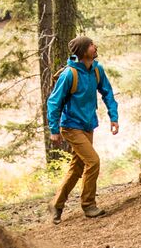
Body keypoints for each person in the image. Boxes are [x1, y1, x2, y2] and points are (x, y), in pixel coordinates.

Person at [45, 35, 119, 222]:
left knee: (77, 168)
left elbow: (107, 92)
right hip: (70, 126)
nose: (95, 46)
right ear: (83, 51)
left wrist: (114, 117)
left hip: (87, 126)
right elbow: (54, 102)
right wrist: (54, 130)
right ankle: (89, 205)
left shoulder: (96, 69)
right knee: (93, 161)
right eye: (91, 45)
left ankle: (56, 204)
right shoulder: (70, 74)